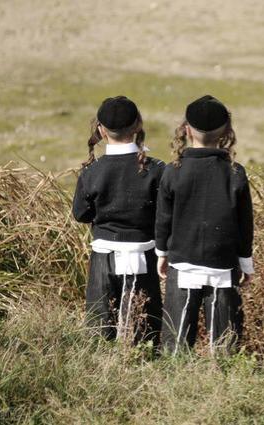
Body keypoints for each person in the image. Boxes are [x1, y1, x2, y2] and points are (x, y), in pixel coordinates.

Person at [156, 95, 254, 355]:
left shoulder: (172, 170)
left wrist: (162, 253)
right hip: (222, 265)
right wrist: (246, 264)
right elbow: (245, 225)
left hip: (182, 260)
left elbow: (163, 218)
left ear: (186, 129)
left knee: (174, 345)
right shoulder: (236, 173)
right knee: (224, 346)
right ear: (227, 133)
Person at [72, 95, 164, 349]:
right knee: (144, 329)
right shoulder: (156, 169)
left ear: (101, 130)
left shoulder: (92, 171)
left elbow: (80, 214)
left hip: (104, 255)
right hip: (143, 254)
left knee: (100, 329)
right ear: (138, 125)